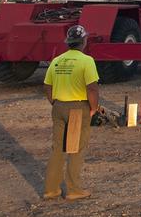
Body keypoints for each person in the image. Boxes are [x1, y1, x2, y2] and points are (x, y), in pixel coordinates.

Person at [43, 24, 100, 201]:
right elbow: (92, 88)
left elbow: (47, 86)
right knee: (76, 149)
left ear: (68, 42)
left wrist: (54, 102)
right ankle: (74, 189)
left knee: (57, 149)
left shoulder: (57, 60)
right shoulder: (86, 61)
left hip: (58, 106)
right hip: (77, 108)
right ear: (83, 41)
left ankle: (51, 190)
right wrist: (94, 108)